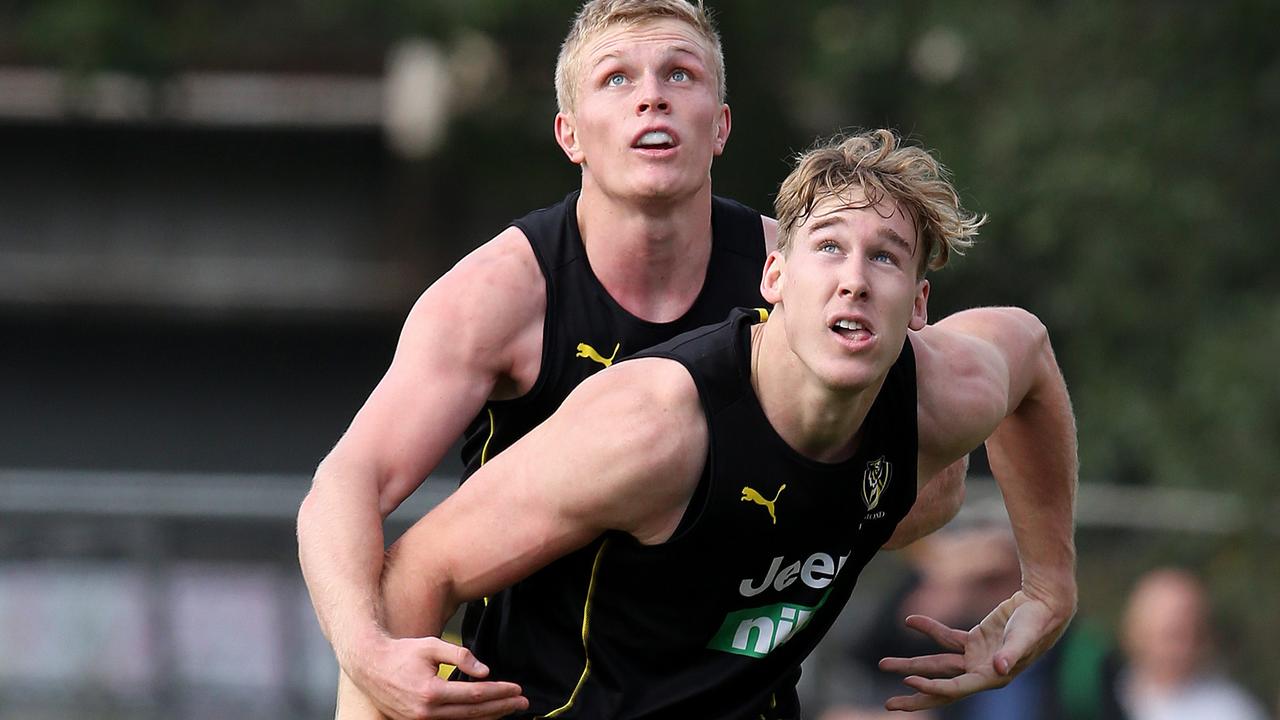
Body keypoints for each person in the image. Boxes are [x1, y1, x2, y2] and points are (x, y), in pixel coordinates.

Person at [297, 2, 965, 719]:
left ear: (720, 126)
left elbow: (947, 436)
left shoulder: (804, 272)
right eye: (617, 78)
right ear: (570, 135)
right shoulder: (500, 296)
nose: (653, 95)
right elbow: (347, 482)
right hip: (543, 695)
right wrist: (365, 651)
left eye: (680, 73)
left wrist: (1041, 591)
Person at [335, 128, 1080, 720]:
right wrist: (379, 674)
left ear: (917, 307)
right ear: (774, 279)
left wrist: (1049, 586)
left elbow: (1032, 352)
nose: (854, 276)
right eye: (827, 247)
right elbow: (416, 572)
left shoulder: (943, 396)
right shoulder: (651, 430)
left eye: (884, 257)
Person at [821, 522, 1124, 720]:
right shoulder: (956, 636)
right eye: (983, 581)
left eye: (1004, 576)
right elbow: (869, 653)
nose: (1000, 592)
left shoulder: (1083, 655)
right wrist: (944, 580)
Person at [1116, 568, 1268, 720]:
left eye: (1194, 633)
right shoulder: (1111, 694)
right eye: (1172, 634)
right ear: (1137, 629)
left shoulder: (1232, 710)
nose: (1182, 648)